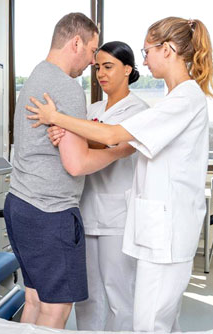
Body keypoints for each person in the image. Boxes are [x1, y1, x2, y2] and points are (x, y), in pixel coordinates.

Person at [26, 16, 213, 333]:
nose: (144, 60)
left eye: (147, 51)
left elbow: (115, 136)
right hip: (153, 228)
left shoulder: (185, 99)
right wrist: (72, 134)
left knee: (146, 320)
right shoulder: (176, 99)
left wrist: (56, 117)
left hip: (166, 230)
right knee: (155, 319)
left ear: (167, 50)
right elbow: (105, 137)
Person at [5, 13, 134, 329]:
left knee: (35, 300)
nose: (93, 63)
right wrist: (119, 150)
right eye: (92, 52)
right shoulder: (66, 87)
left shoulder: (37, 75)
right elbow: (76, 164)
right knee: (57, 309)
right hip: (49, 211)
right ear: (76, 42)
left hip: (20, 204)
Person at [54, 41, 148, 331]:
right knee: (88, 296)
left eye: (108, 66)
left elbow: (110, 139)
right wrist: (73, 131)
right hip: (85, 210)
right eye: (97, 68)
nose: (101, 74)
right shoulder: (91, 109)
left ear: (128, 69)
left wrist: (68, 129)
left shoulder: (139, 110)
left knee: (119, 292)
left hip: (117, 216)